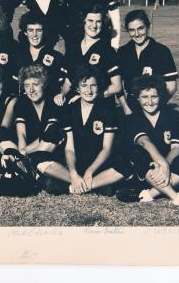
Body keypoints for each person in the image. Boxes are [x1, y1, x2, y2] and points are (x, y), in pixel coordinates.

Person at [116, 75, 179, 209]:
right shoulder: (133, 118)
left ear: (160, 96)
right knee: (139, 158)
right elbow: (145, 142)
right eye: (144, 97)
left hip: (166, 164)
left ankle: (148, 195)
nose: (149, 102)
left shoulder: (173, 115)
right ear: (137, 98)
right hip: (147, 165)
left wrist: (165, 164)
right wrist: (162, 164)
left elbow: (176, 147)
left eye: (154, 96)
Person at [36, 65, 129, 195]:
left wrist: (90, 171)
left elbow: (106, 149)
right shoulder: (70, 109)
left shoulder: (107, 109)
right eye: (84, 86)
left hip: (98, 164)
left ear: (99, 86)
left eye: (93, 85)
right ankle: (84, 183)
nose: (89, 91)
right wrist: (73, 173)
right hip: (75, 163)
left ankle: (73, 186)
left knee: (127, 165)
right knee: (37, 157)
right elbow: (69, 148)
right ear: (77, 88)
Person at [0, 65, 65, 184]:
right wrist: (22, 151)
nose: (31, 90)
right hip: (30, 153)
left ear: (44, 84)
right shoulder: (22, 103)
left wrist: (22, 155)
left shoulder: (53, 101)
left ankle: (23, 167)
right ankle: (26, 168)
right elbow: (21, 134)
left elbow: (47, 135)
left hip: (50, 151)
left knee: (54, 132)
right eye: (27, 86)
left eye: (35, 84)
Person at [116, 9, 178, 115]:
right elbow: (118, 84)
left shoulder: (162, 51)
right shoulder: (122, 52)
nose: (136, 34)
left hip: (155, 106)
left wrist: (155, 106)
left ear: (147, 26)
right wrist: (126, 108)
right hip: (131, 107)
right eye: (132, 30)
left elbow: (172, 86)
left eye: (140, 28)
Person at [64, 4, 122, 105]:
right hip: (73, 104)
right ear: (83, 21)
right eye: (90, 20)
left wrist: (88, 96)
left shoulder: (108, 50)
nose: (94, 25)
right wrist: (61, 94)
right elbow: (68, 79)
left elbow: (117, 86)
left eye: (98, 21)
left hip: (99, 105)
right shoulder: (73, 47)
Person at [15, 11, 70, 104]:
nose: (35, 35)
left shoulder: (56, 57)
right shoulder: (17, 55)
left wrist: (62, 94)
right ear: (25, 32)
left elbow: (68, 80)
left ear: (44, 31)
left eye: (39, 30)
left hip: (49, 105)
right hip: (23, 105)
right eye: (30, 30)